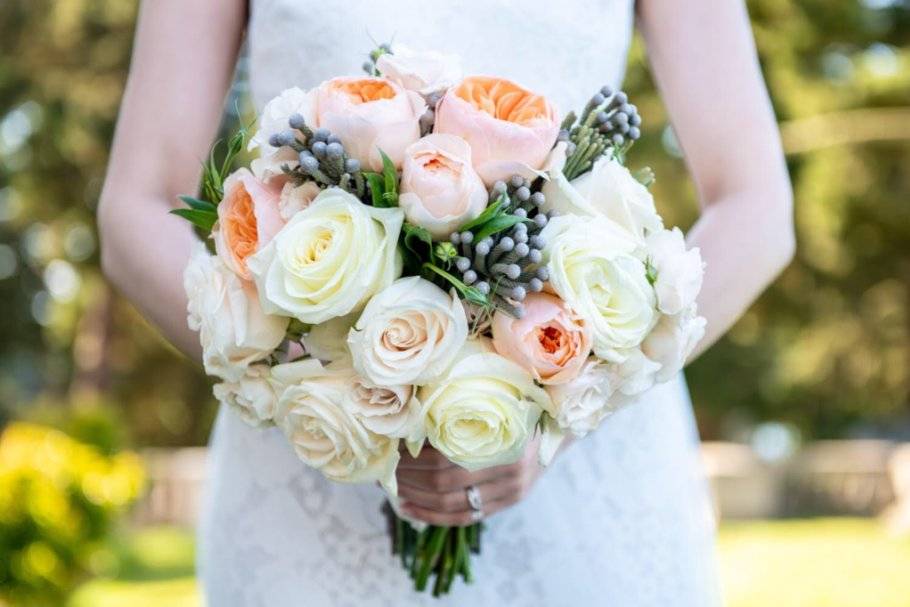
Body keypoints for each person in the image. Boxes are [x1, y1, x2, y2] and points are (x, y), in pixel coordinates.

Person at [98, 1, 794, 605]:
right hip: (305, 484)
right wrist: (312, 385)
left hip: (589, 494)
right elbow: (137, 207)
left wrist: (565, 408)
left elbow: (756, 205)